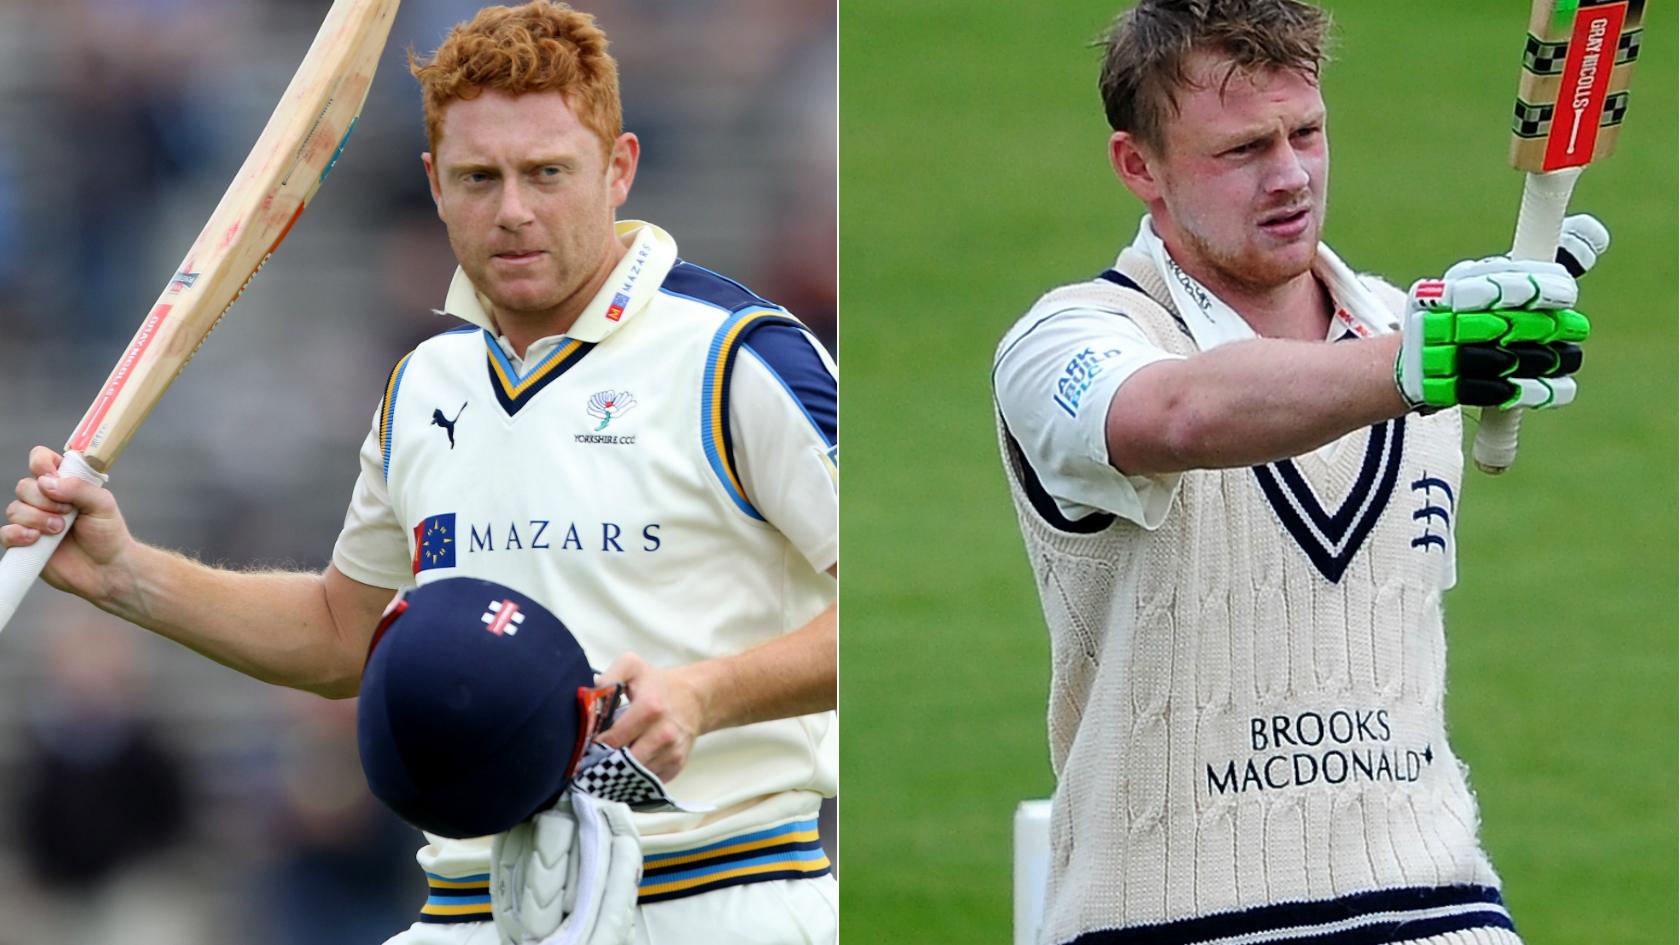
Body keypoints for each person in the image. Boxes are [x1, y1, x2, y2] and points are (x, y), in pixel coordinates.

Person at [3, 3, 837, 944]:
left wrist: (708, 690)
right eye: (480, 178)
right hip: (467, 906)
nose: (513, 209)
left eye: (547, 173)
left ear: (619, 168)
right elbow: (342, 634)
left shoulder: (740, 357)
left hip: (714, 894)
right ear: (435, 184)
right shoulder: (423, 385)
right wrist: (126, 575)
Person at [990, 2, 1597, 944]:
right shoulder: (1063, 341)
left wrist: (1438, 349)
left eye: (1305, 132)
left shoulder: (1408, 330)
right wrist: (1424, 362)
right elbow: (1177, 413)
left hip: (1442, 908)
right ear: (1137, 166)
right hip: (1174, 920)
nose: (1289, 176)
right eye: (1240, 151)